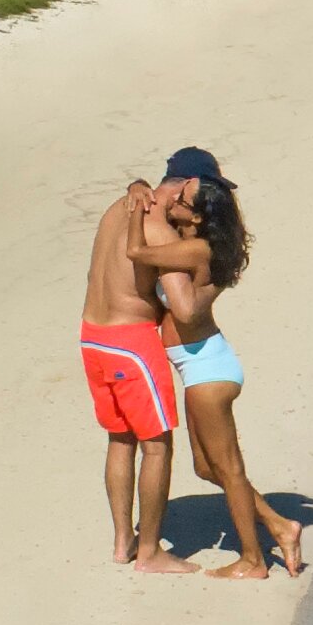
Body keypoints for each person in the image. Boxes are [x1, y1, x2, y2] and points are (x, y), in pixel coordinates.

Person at [137, 148, 301, 578]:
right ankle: (279, 525)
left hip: (206, 369)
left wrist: (141, 208)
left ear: (196, 214)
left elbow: (140, 255)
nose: (177, 204)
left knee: (228, 469)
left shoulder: (193, 249)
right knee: (207, 468)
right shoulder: (197, 244)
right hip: (201, 364)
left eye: (185, 201)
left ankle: (253, 560)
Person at [80, 178, 190, 572]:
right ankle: (150, 552)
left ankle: (122, 541)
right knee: (157, 447)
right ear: (180, 190)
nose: (195, 215)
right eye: (194, 205)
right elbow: (184, 307)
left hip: (93, 338)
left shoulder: (117, 209)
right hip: (132, 344)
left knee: (120, 440)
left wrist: (137, 184)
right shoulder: (158, 231)